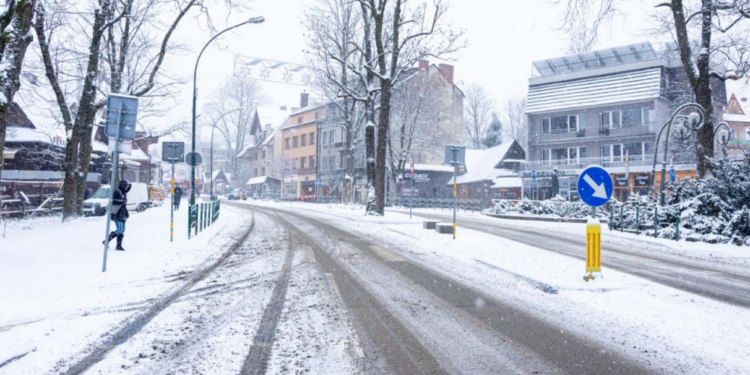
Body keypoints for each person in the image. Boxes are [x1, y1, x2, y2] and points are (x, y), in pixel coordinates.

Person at [103, 180, 131, 251]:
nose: (127, 187)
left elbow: (124, 204)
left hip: (122, 213)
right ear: (123, 185)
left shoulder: (124, 193)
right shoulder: (117, 192)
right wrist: (121, 201)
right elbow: (114, 201)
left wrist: (126, 213)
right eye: (126, 186)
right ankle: (106, 241)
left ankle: (118, 246)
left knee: (123, 230)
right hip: (117, 213)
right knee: (119, 229)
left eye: (127, 186)